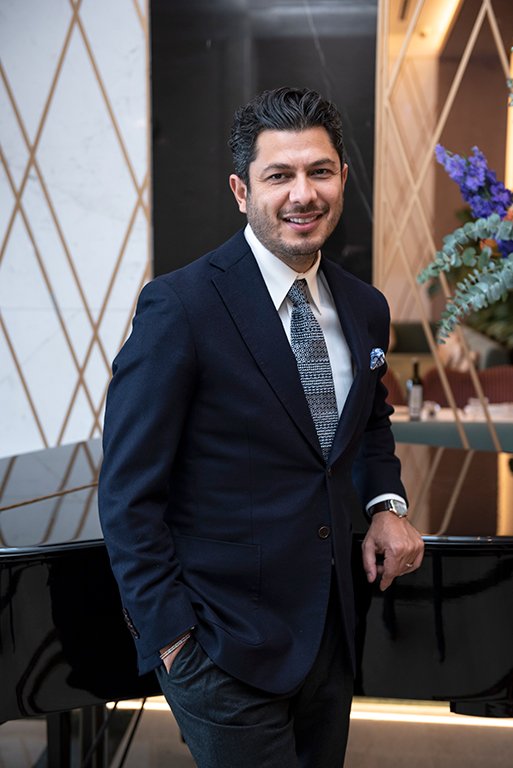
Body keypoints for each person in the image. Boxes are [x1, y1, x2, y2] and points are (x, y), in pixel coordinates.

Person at [98, 86, 424, 768]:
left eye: (319, 171)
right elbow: (128, 493)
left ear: (342, 178)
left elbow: (368, 423)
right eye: (279, 175)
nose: (303, 194)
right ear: (241, 191)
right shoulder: (180, 306)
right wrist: (172, 641)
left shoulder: (364, 307)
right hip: (219, 645)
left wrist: (386, 505)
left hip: (330, 632)